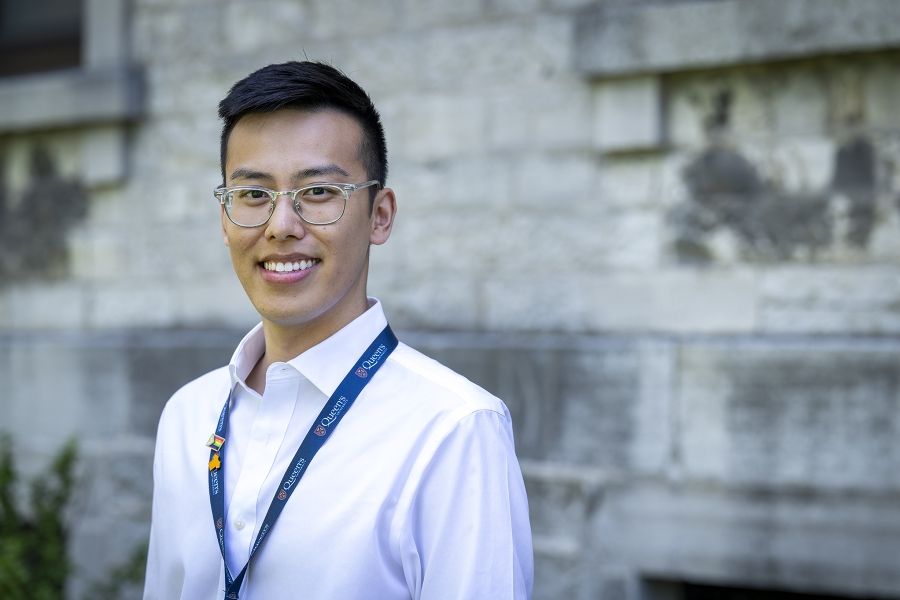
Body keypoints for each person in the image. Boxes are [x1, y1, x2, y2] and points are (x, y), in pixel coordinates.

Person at [143, 61, 533, 600]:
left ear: (380, 216)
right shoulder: (189, 415)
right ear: (225, 218)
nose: (282, 226)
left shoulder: (454, 431)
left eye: (320, 192)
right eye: (253, 195)